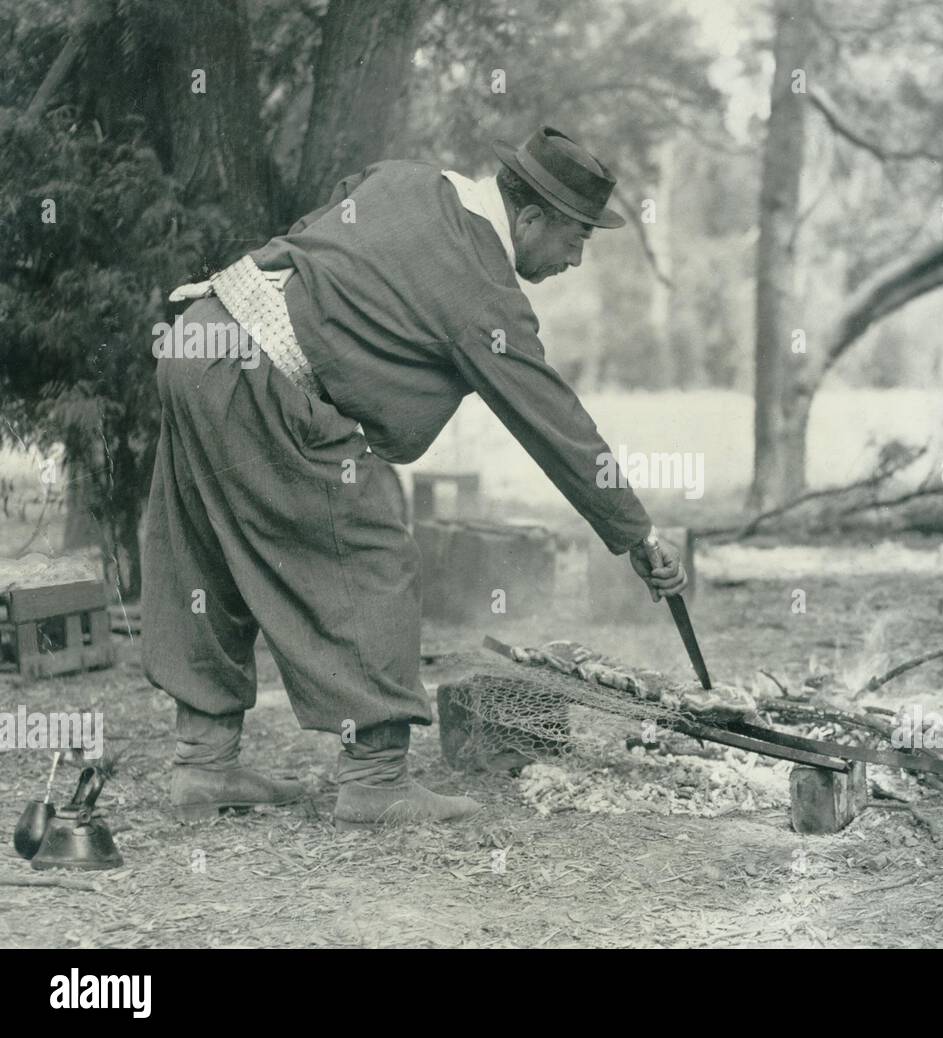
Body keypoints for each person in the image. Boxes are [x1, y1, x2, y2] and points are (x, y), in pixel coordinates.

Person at [143, 126, 687, 828]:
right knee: (371, 552)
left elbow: (325, 231)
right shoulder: (483, 287)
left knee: (205, 555)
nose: (576, 259)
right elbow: (553, 421)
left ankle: (204, 763)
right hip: (259, 375)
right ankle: (375, 778)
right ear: (528, 219)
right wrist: (635, 532)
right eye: (575, 238)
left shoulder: (406, 177)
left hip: (197, 337)